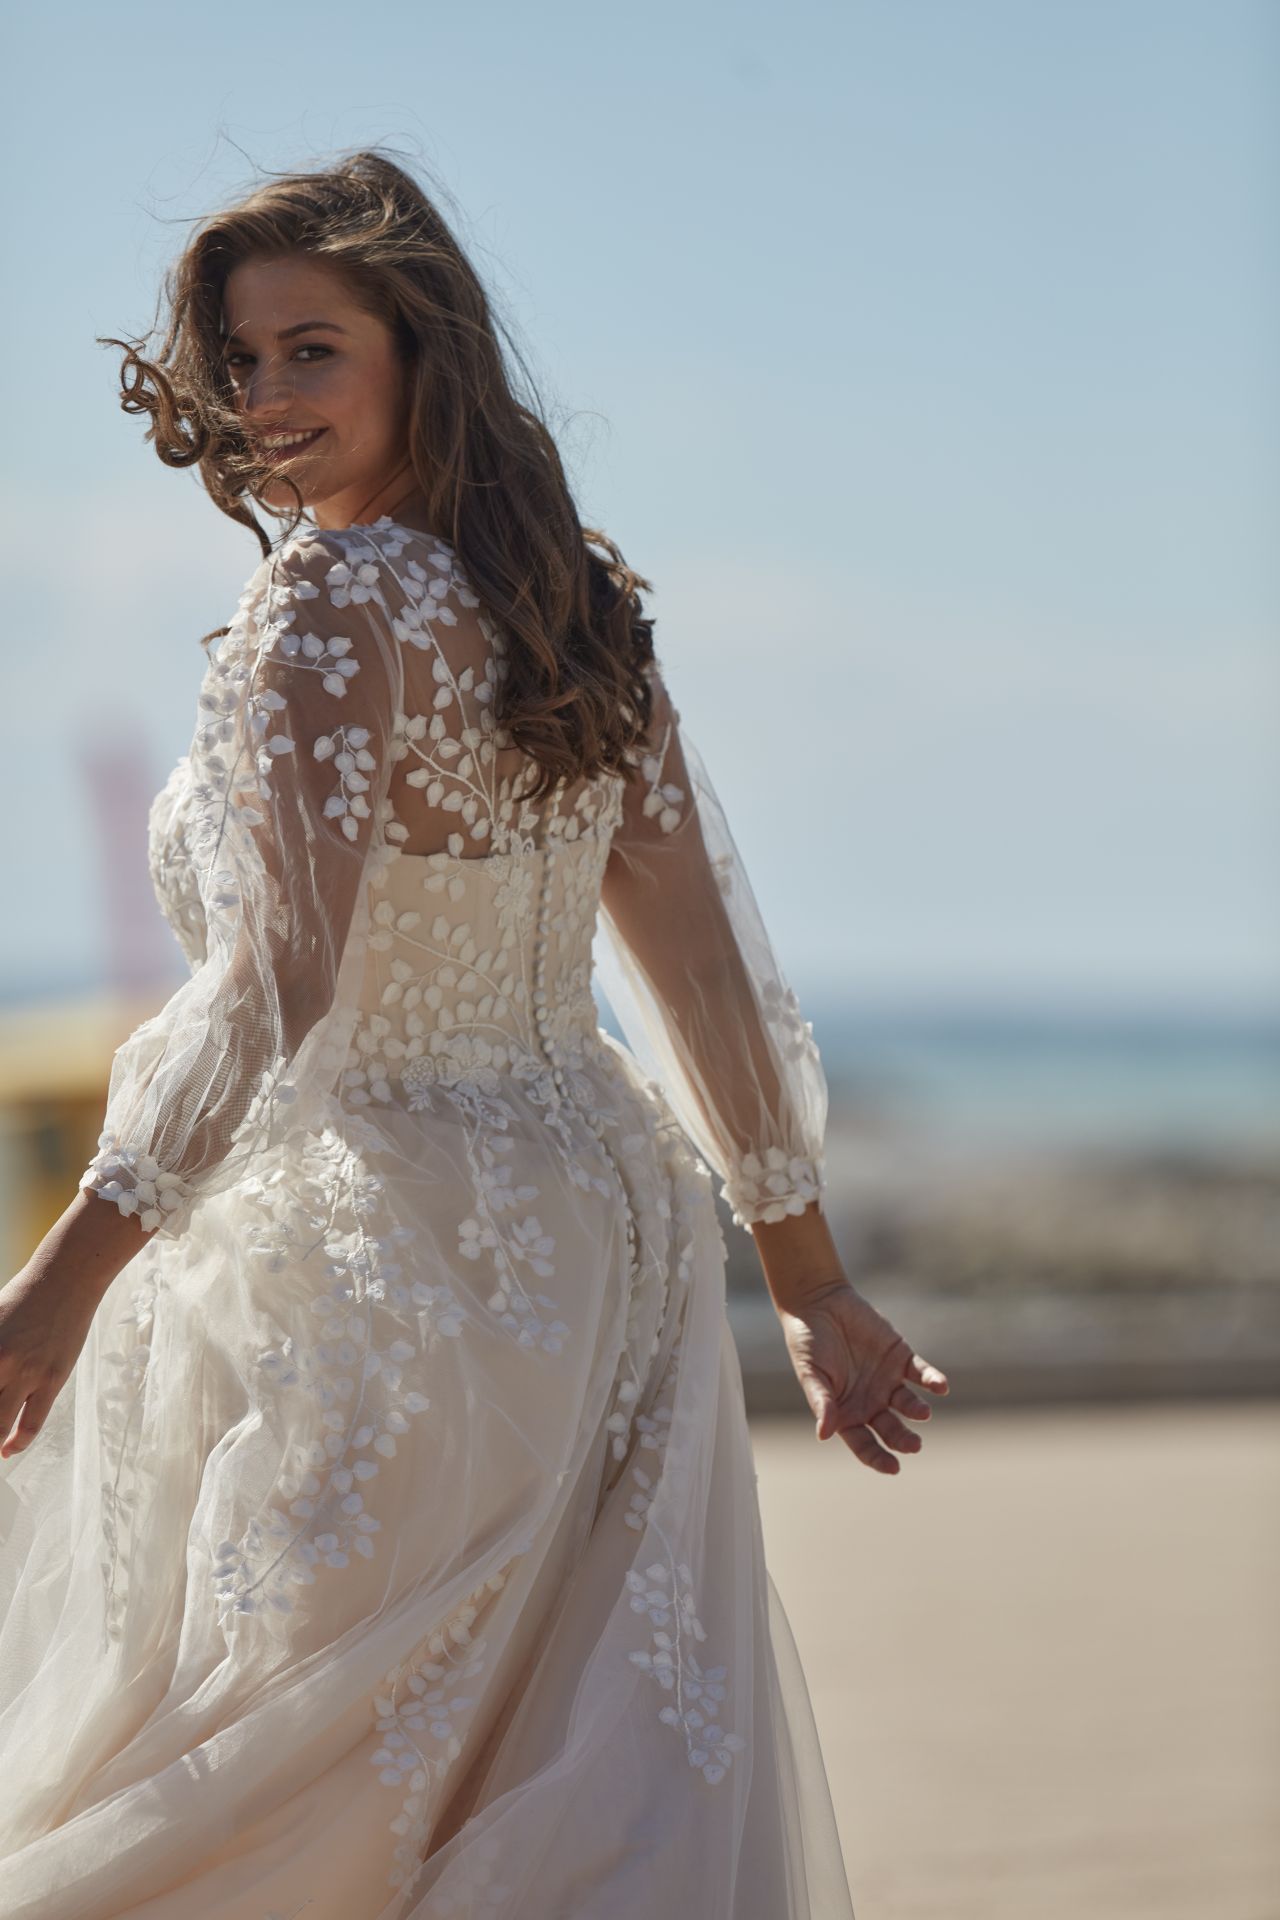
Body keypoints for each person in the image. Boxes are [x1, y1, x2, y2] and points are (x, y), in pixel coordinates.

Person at [0, 149, 948, 1918]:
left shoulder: (328, 603)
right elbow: (704, 976)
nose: (266, 398)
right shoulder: (575, 606)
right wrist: (804, 1279)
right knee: (566, 1760)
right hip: (606, 1236)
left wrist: (61, 1283)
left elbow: (274, 994)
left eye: (313, 350)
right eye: (245, 357)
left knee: (286, 1771)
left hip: (379, 1255)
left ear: (419, 352)